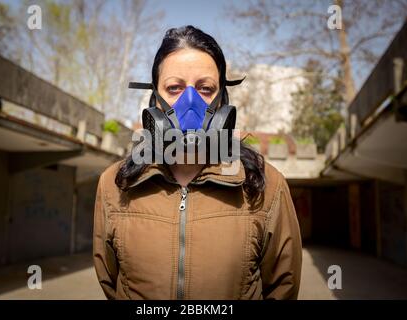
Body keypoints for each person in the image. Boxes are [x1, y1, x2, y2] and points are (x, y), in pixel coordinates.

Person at [93, 25, 302, 300]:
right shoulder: (115, 184)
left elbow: (282, 288)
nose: (189, 103)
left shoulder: (266, 185)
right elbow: (111, 284)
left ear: (222, 100)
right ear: (154, 97)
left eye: (205, 88)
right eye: (174, 87)